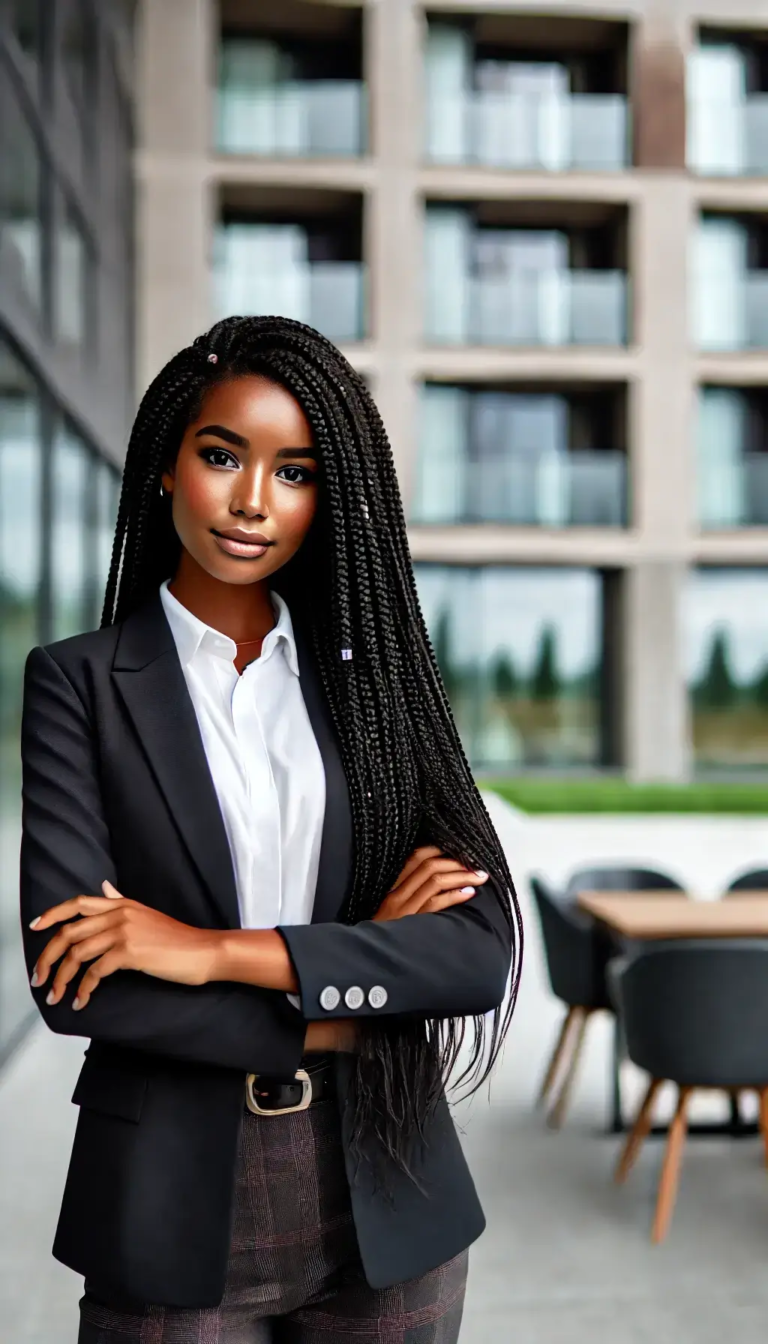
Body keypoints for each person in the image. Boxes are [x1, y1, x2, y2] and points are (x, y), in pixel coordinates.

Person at [19, 315, 523, 1343]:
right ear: (168, 466)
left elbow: (474, 956)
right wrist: (356, 991)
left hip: (388, 1192)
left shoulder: (376, 689)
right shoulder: (78, 684)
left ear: (329, 497)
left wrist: (206, 954)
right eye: (221, 457)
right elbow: (77, 984)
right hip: (169, 1201)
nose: (254, 502)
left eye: (295, 472)